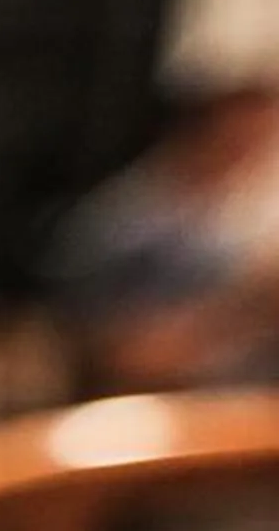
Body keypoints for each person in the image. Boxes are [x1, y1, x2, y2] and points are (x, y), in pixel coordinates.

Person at [50, 79, 279, 390]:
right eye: (251, 115)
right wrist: (236, 316)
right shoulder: (126, 221)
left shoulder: (245, 208)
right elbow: (123, 355)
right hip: (158, 407)